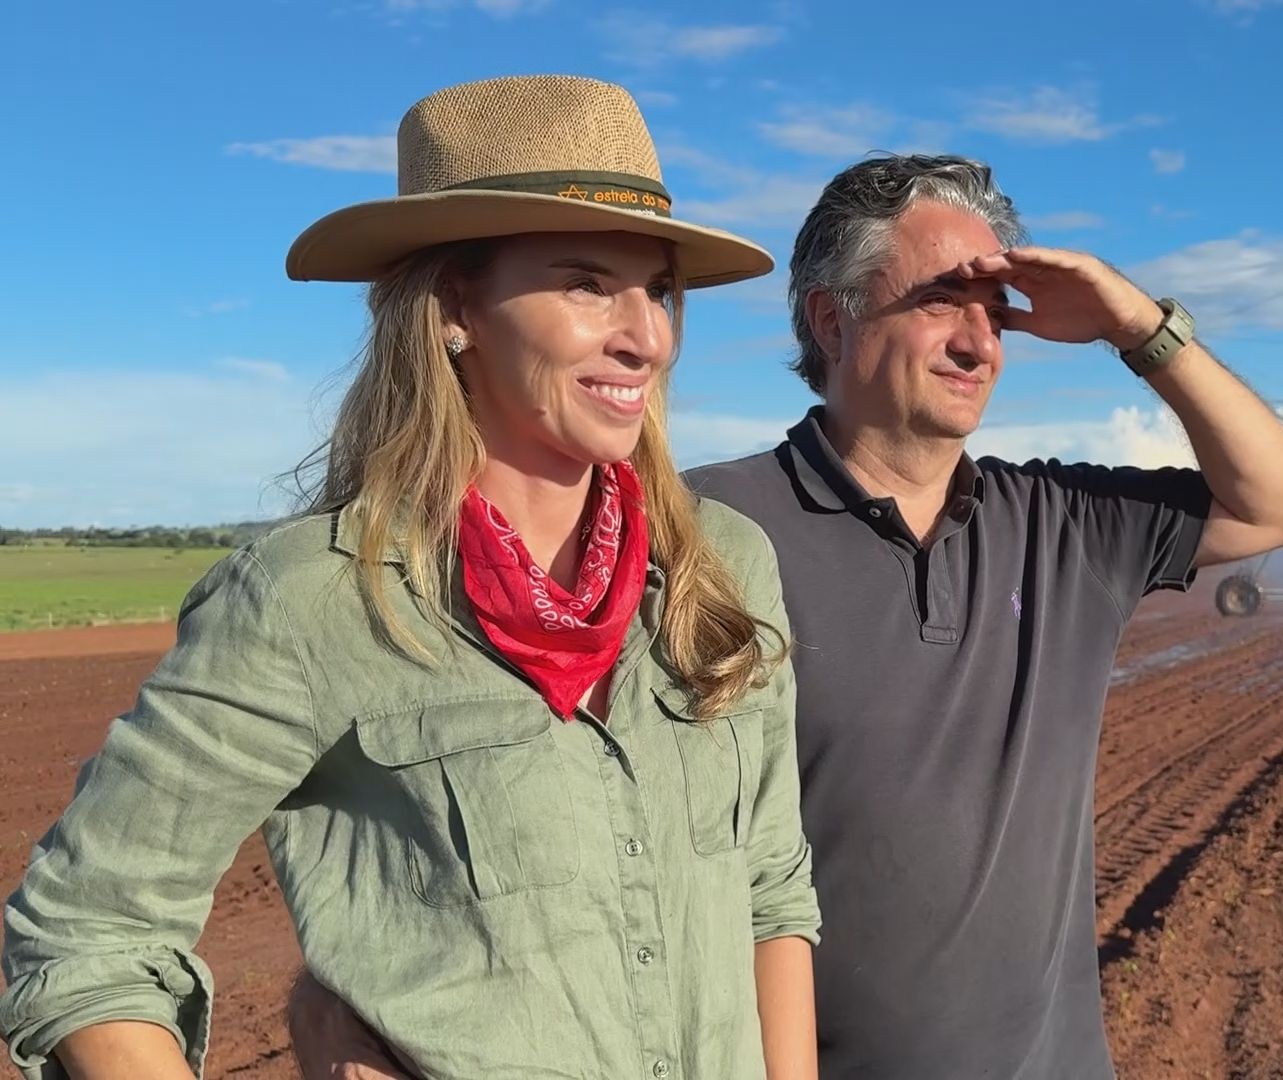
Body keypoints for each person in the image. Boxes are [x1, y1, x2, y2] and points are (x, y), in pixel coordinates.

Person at [293, 153, 1283, 1077]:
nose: (980, 340)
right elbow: (482, 798)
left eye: (999, 309)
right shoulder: (694, 530)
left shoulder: (1065, 524)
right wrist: (338, 1005)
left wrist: (1136, 325)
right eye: (943, 300)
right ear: (831, 319)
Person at [0, 75, 819, 1080]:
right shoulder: (313, 598)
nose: (644, 333)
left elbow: (772, 892)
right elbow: (88, 930)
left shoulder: (721, 566)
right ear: (452, 307)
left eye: (659, 288)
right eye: (586, 282)